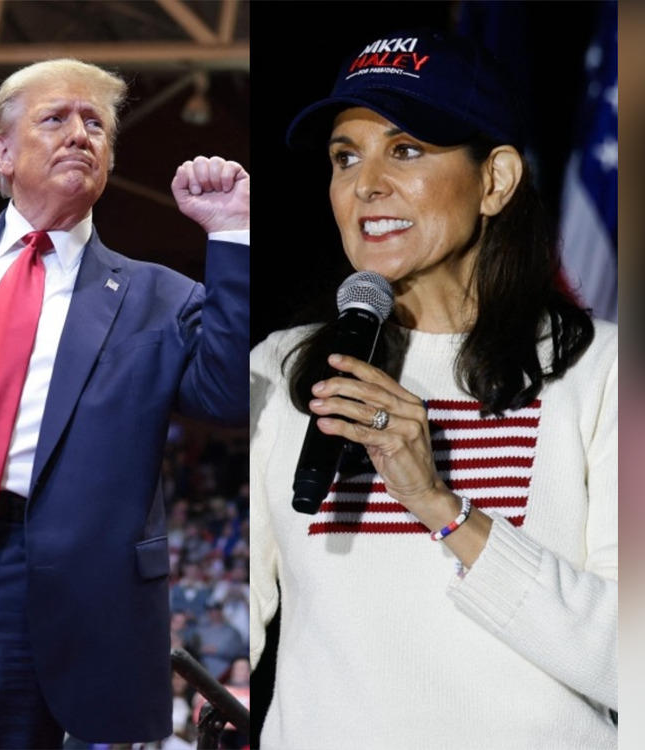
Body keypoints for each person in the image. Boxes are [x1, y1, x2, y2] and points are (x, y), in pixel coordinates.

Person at [250, 29, 616, 748]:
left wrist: (440, 506)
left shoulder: (606, 369)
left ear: (496, 180)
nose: (365, 184)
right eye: (344, 156)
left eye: (406, 149)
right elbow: (236, 619)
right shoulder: (279, 367)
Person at [0, 58, 250, 748]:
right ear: (3, 151)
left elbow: (226, 394)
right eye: (56, 118)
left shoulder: (158, 299)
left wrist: (231, 232)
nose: (80, 133)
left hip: (13, 580)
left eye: (95, 123)